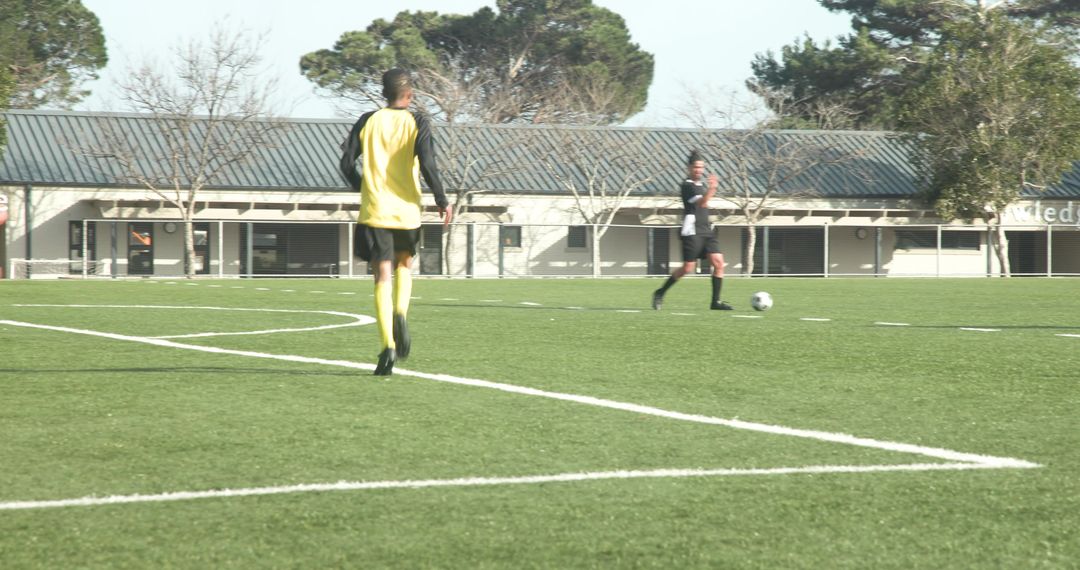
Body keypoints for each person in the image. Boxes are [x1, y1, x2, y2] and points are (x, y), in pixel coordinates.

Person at [339, 68, 452, 375]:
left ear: (383, 94)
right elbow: (428, 164)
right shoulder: (418, 121)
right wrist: (442, 200)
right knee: (404, 265)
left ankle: (387, 345)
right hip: (407, 211)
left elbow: (346, 163)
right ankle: (401, 312)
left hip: (376, 210)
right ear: (410, 94)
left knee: (381, 275)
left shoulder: (368, 120)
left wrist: (362, 187)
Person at [652, 150, 733, 311]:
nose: (699, 170)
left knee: (718, 263)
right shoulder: (687, 186)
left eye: (701, 167)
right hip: (692, 231)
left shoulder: (701, 185)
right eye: (696, 167)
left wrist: (709, 189)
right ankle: (660, 292)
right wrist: (712, 189)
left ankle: (715, 302)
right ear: (689, 168)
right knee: (687, 268)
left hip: (706, 230)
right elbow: (702, 203)